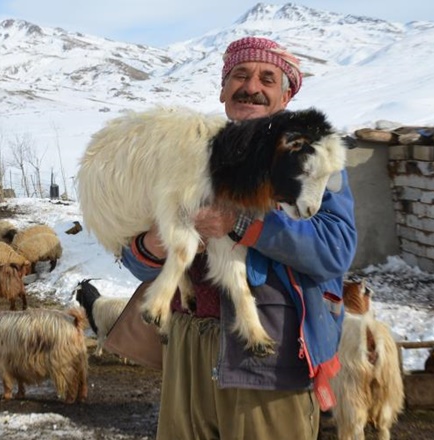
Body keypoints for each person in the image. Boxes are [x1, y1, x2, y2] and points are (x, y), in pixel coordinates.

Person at [120, 36, 357, 440]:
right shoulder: (188, 150)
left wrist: (244, 225)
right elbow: (135, 258)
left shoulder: (312, 157)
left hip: (270, 355)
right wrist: (152, 245)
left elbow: (334, 250)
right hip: (186, 348)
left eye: (268, 78)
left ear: (285, 96)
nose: (252, 87)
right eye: (240, 75)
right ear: (223, 89)